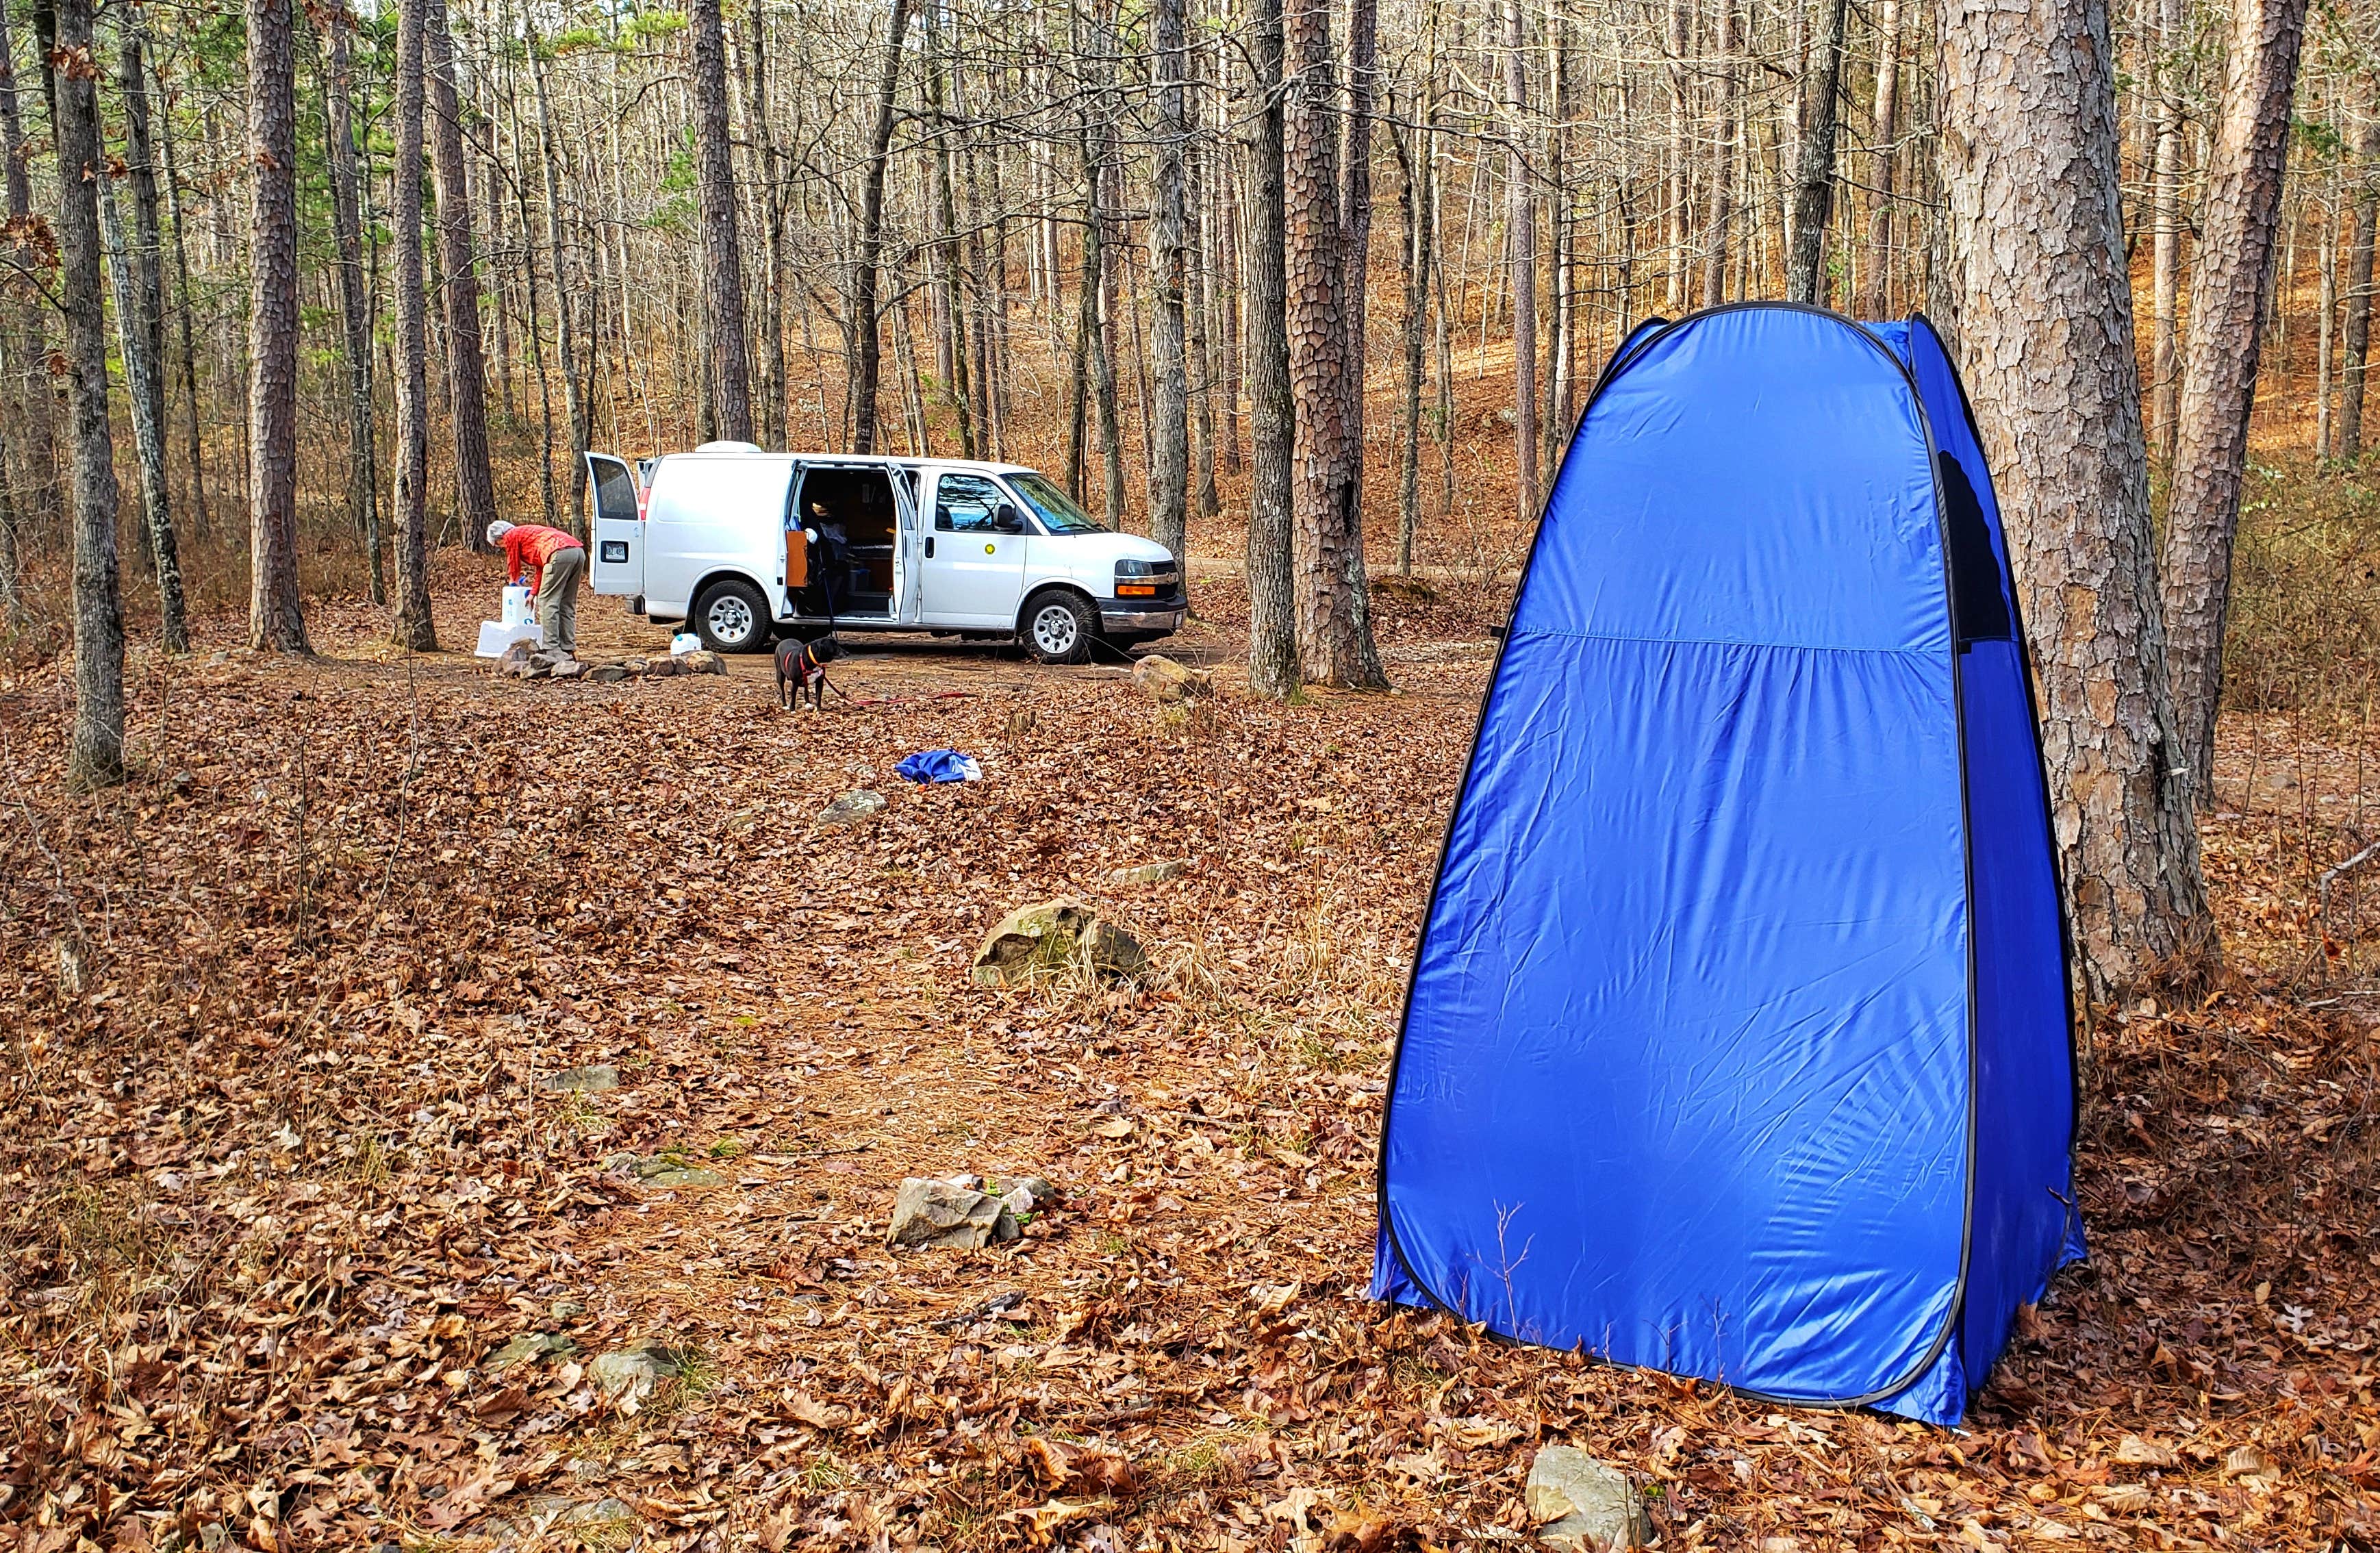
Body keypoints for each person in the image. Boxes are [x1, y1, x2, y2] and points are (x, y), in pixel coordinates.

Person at [488, 520, 585, 655]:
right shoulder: (530, 535)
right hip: (577, 552)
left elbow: (513, 562)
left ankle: (551, 648)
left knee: (547, 602)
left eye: (498, 545)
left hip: (559, 553)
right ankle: (568, 647)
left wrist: (513, 581)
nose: (502, 548)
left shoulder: (511, 535)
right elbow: (542, 567)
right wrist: (533, 593)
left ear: (500, 537)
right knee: (566, 603)